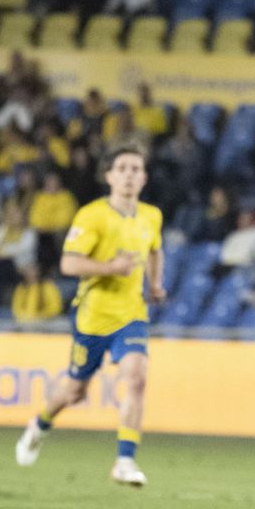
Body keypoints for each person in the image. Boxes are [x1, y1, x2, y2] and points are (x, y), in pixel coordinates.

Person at [15, 144, 166, 488]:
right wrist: (110, 268)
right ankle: (39, 424)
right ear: (109, 176)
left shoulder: (151, 216)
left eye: (135, 169)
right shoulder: (92, 216)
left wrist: (156, 284)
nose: (129, 175)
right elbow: (68, 263)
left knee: (136, 378)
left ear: (144, 178)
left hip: (131, 314)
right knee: (74, 392)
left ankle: (124, 461)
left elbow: (156, 250)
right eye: (122, 168)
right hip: (93, 317)